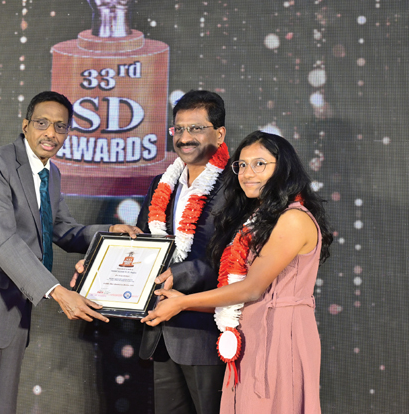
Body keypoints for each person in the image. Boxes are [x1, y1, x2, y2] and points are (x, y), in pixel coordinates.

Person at [0, 91, 141, 414]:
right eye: (42, 123)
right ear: (26, 125)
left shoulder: (51, 173)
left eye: (60, 126)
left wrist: (110, 232)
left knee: (2, 408)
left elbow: (62, 229)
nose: (51, 133)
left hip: (14, 312)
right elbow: (2, 240)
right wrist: (58, 292)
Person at [141, 130, 333, 414]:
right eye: (241, 165)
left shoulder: (293, 218)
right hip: (252, 333)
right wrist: (182, 302)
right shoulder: (258, 219)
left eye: (259, 164)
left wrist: (183, 302)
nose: (247, 173)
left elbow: (252, 290)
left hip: (281, 335)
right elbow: (247, 298)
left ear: (283, 168)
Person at [134, 90, 230, 414]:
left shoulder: (237, 187)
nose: (185, 138)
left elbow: (234, 260)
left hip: (207, 334)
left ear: (220, 134)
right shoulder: (161, 183)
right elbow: (146, 247)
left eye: (196, 128)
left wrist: (176, 274)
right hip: (159, 331)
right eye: (179, 129)